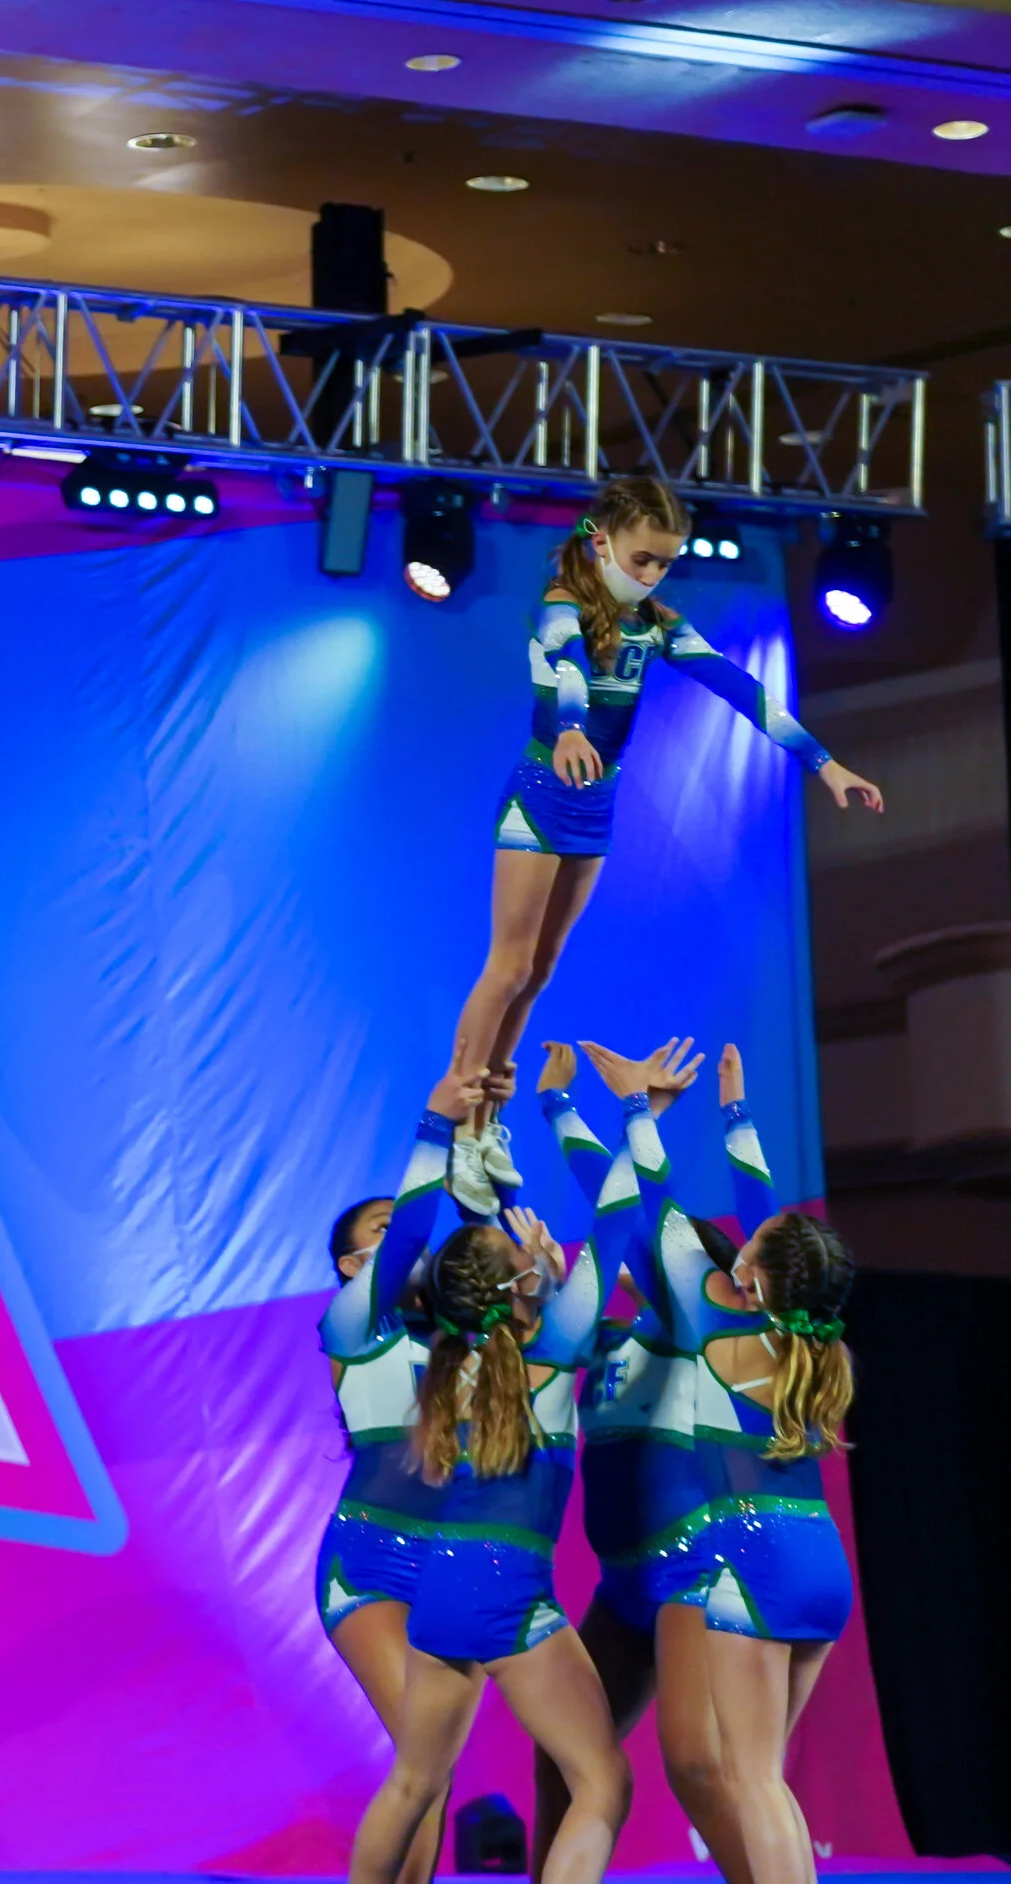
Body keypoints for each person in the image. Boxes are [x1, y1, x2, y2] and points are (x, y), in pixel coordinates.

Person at [441, 475, 882, 1215]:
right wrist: (572, 728)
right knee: (509, 964)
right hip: (541, 795)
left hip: (595, 805)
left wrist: (824, 763)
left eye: (664, 563)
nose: (651, 574)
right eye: (641, 558)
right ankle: (462, 1122)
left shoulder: (656, 626)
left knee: (540, 970)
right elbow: (568, 667)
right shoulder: (560, 605)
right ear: (601, 541)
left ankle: (489, 1122)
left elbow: (740, 688)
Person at [345, 1054, 652, 1884]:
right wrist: (633, 1111)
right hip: (508, 1589)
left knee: (413, 1783)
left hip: (439, 1588)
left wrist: (517, 1239)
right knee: (603, 1783)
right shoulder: (549, 1355)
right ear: (519, 1284)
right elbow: (621, 1215)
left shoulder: (443, 1365)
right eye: (522, 1253)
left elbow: (527, 1274)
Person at [598, 1042, 858, 1884]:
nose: (745, 1233)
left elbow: (657, 1206)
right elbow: (772, 1223)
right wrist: (736, 1113)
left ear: (754, 1271)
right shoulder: (812, 1344)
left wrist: (637, 1111)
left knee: (750, 1781)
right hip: (820, 1563)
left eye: (755, 1242)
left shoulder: (711, 1317)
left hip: (750, 1559)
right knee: (764, 1781)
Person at [528, 1042, 754, 1884]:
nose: (629, 1258)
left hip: (693, 1570)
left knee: (695, 1764)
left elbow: (629, 1208)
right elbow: (614, 1219)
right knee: (563, 1760)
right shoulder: (610, 1341)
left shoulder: (692, 1332)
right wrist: (570, 1109)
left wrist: (603, 1114)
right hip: (623, 1587)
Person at [314, 1063, 483, 1884]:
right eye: (381, 1232)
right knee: (423, 1752)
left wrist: (483, 1162)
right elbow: (416, 1235)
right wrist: (435, 1127)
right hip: (370, 1564)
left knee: (435, 1767)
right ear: (353, 1268)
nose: (405, 1240)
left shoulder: (465, 1346)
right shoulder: (351, 1327)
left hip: (457, 1565)